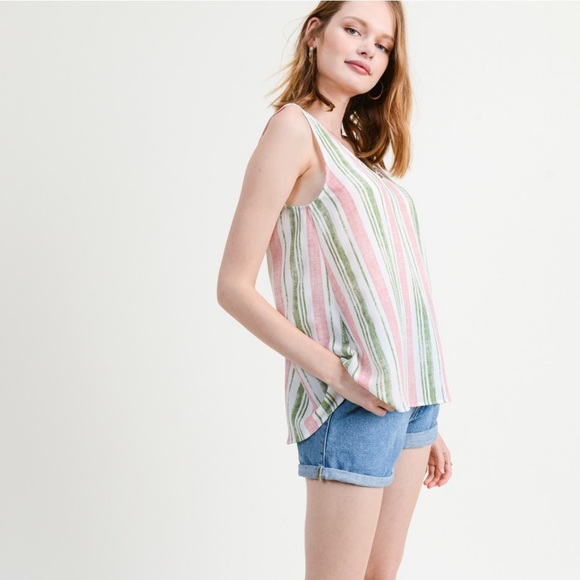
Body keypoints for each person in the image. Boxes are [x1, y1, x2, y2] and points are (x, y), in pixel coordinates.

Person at [217, 2, 453, 578]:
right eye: (354, 30)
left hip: (410, 399)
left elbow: (389, 286)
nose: (369, 48)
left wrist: (423, 412)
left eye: (384, 44)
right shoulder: (292, 131)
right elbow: (233, 287)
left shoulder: (356, 152)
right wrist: (339, 375)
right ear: (315, 33)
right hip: (350, 399)